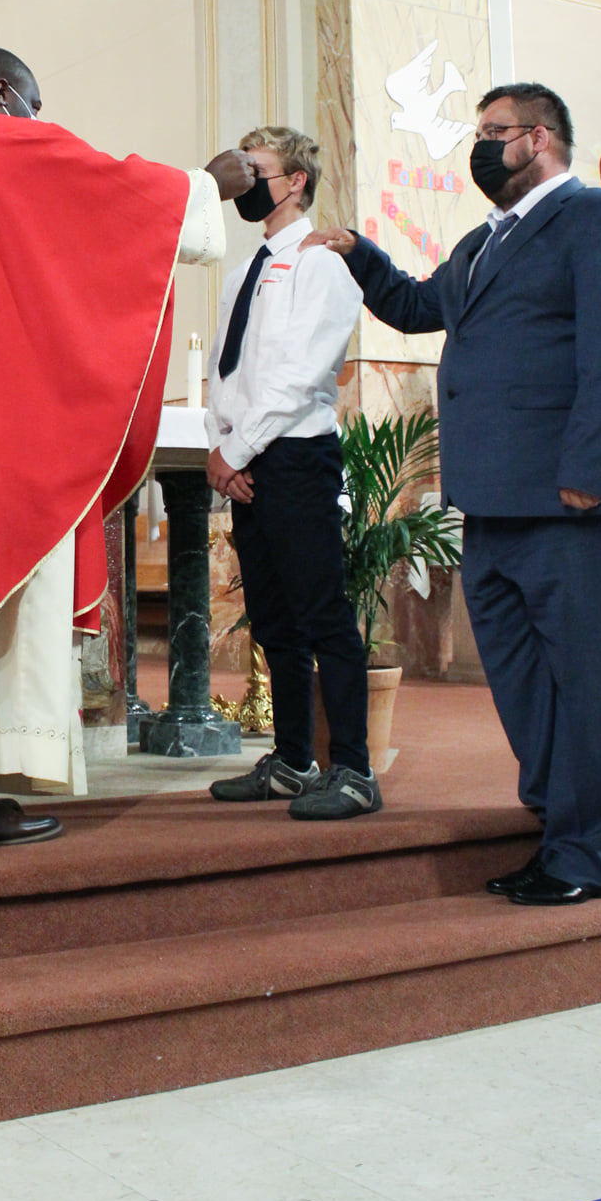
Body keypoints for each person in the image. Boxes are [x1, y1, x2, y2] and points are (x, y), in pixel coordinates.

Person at [0, 46, 254, 845]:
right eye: (31, 102)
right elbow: (111, 198)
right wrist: (204, 185)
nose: (37, 120)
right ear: (2, 93)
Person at [305, 82, 601, 903]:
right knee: (522, 679)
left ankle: (583, 858)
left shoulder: (598, 219)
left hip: (566, 498)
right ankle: (553, 826)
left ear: (537, 139)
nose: (478, 145)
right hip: (490, 502)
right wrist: (359, 252)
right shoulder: (480, 243)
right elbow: (418, 307)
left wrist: (585, 472)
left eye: (492, 131)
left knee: (586, 684)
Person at [204, 128, 379, 821]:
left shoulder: (321, 264)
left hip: (296, 458)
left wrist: (237, 450)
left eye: (258, 171)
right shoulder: (245, 268)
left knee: (321, 617)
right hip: (248, 459)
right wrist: (224, 448)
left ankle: (355, 771)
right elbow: (231, 369)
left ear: (297, 181)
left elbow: (300, 373)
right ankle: (292, 761)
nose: (246, 183)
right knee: (274, 621)